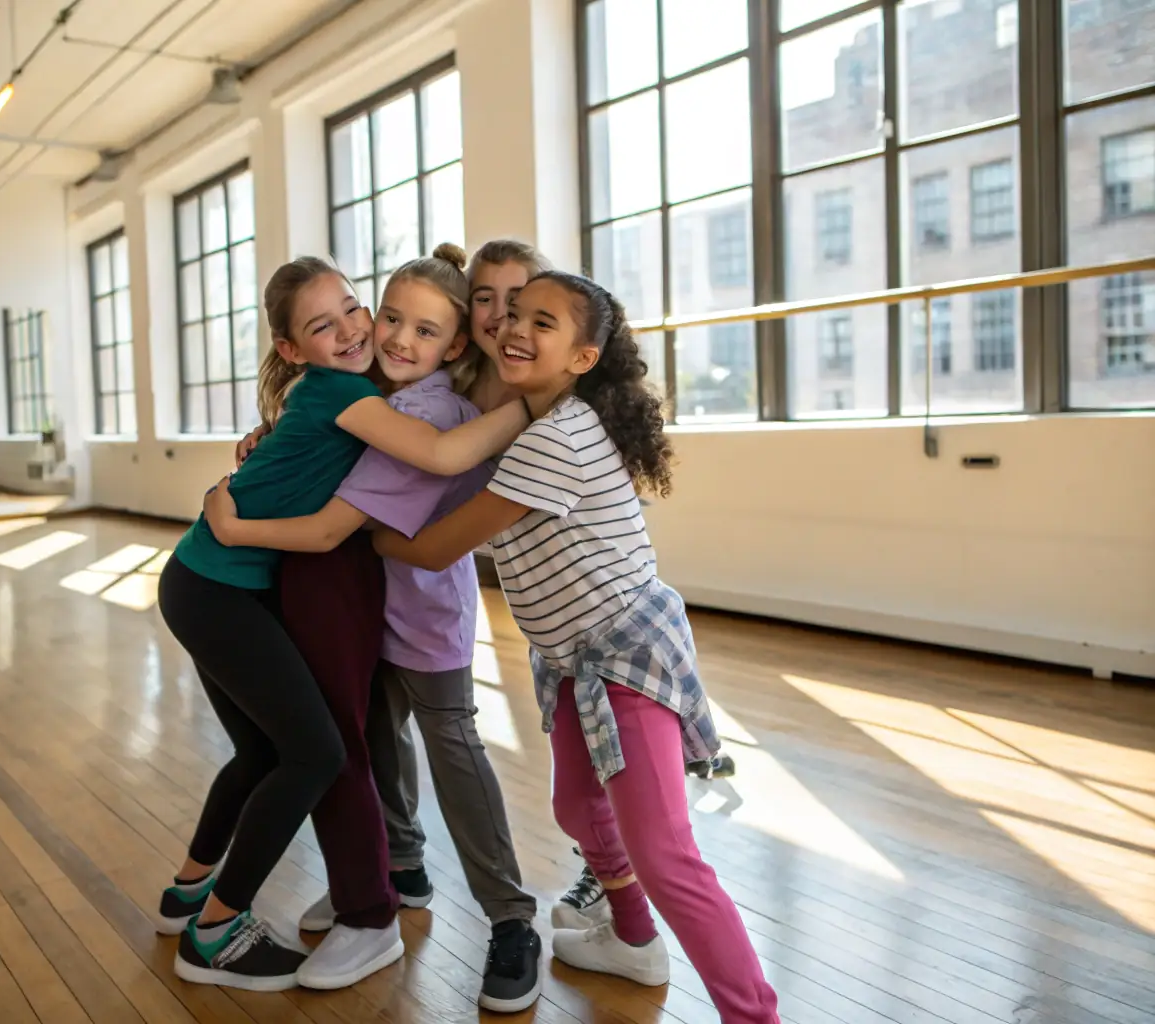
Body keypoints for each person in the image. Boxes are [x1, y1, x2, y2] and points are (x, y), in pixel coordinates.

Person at [372, 272, 781, 1022]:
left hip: (624, 657)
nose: (516, 328)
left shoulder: (554, 440)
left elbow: (431, 551)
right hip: (570, 656)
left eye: (544, 322)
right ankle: (629, 936)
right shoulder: (539, 420)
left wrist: (341, 522)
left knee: (665, 854)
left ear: (584, 357)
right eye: (512, 314)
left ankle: (754, 1014)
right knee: (576, 806)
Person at [156, 255, 530, 992]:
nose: (373, 332)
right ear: (292, 347)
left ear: (454, 344)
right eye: (381, 316)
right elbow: (338, 460)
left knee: (306, 753)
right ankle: (329, 899)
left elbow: (394, 486)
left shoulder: (397, 402)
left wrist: (535, 399)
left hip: (277, 582)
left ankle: (211, 902)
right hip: (241, 587)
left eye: (356, 310)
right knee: (325, 750)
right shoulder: (358, 394)